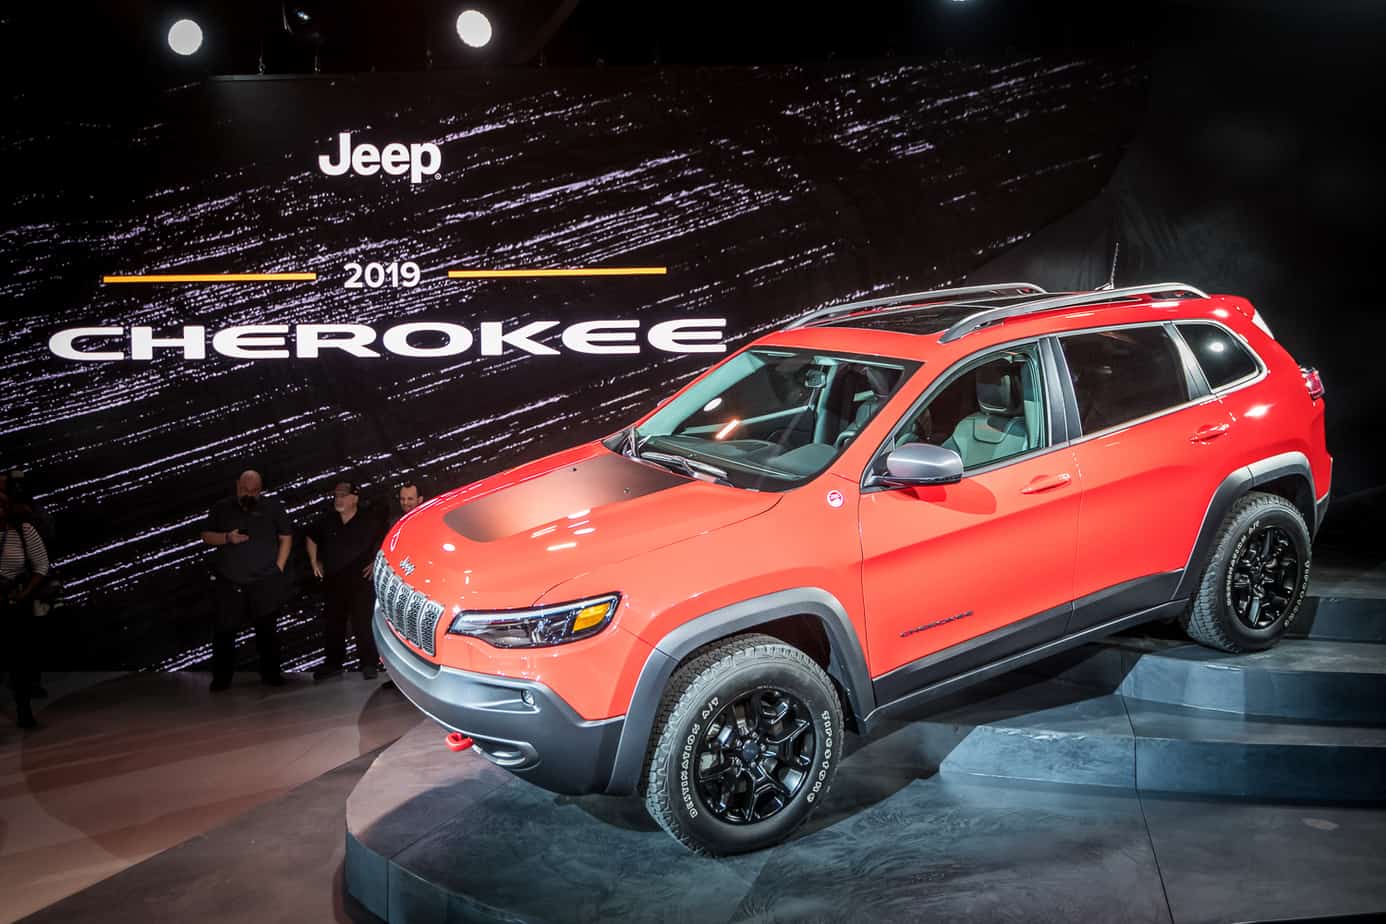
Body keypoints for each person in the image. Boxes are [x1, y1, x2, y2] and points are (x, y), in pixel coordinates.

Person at [199, 470, 293, 691]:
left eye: (254, 491)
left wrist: (279, 566)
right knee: (224, 631)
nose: (249, 494)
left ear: (260, 490)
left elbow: (286, 536)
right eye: (245, 490)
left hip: (264, 579)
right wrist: (227, 538)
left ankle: (271, 674)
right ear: (237, 486)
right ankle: (222, 678)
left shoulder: (273, 507)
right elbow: (206, 536)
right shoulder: (221, 507)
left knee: (267, 630)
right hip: (229, 580)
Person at [306, 479, 385, 682]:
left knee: (363, 623)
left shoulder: (369, 520)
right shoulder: (327, 520)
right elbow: (311, 536)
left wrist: (377, 561)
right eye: (336, 496)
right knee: (333, 623)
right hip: (334, 579)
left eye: (343, 496)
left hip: (360, 580)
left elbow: (386, 540)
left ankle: (369, 664)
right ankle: (333, 664)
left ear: (354, 498)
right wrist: (314, 560)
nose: (338, 499)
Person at [0, 491, 49, 729]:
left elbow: (41, 566)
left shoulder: (23, 530)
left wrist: (25, 592)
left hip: (14, 603)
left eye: (2, 503)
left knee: (19, 658)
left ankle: (23, 708)